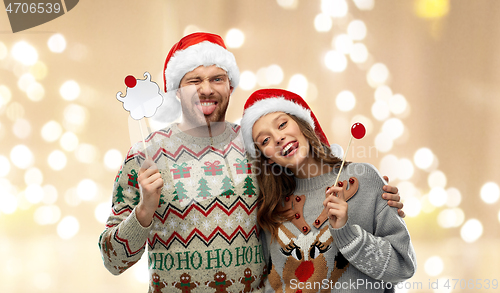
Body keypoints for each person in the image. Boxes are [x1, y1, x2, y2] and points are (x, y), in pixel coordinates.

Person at [98, 32, 405, 293]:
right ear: (177, 90)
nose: (207, 88)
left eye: (217, 78)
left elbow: (309, 186)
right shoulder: (145, 156)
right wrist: (143, 212)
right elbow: (113, 262)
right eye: (194, 80)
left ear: (230, 86)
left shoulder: (257, 147)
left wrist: (371, 195)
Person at [240, 89, 416, 292]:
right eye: (265, 140)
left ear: (302, 124)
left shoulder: (363, 178)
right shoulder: (271, 207)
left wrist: (347, 233)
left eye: (282, 124)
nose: (278, 137)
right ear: (266, 157)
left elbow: (403, 267)